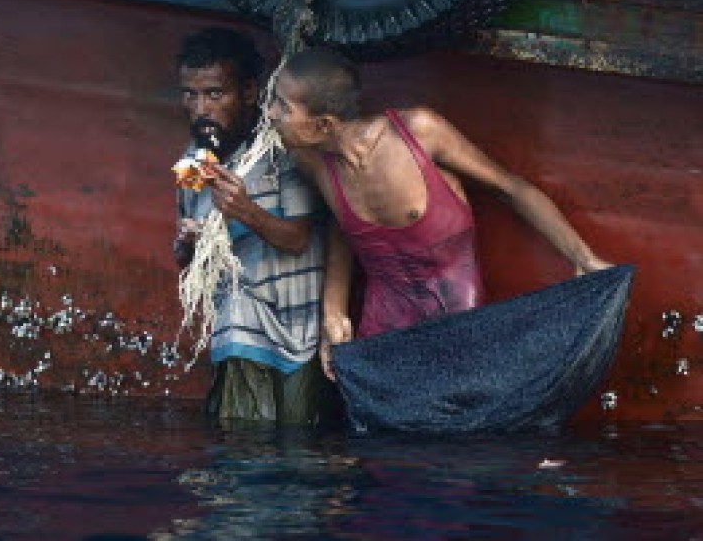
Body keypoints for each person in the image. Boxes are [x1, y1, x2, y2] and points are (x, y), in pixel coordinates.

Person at [267, 47, 612, 380]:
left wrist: (583, 257)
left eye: (283, 106)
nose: (270, 114)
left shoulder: (419, 133)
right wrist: (334, 315)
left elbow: (511, 188)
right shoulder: (312, 163)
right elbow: (342, 229)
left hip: (457, 324)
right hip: (383, 334)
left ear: (323, 124)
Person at [172, 27, 335, 424]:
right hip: (238, 331)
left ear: (247, 92)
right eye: (190, 95)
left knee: (299, 447)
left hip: (297, 333)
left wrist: (246, 212)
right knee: (241, 445)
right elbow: (187, 260)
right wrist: (187, 244)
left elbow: (299, 239)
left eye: (214, 94)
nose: (201, 108)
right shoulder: (194, 160)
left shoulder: (281, 153)